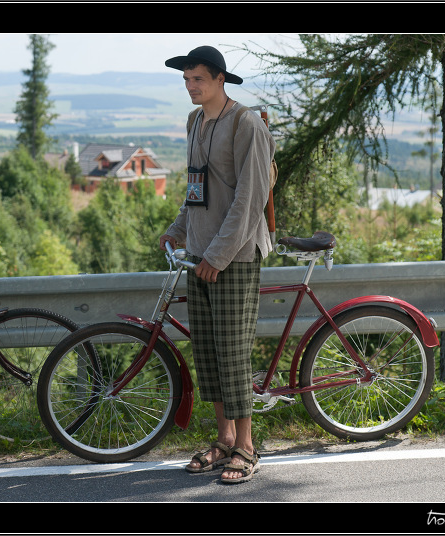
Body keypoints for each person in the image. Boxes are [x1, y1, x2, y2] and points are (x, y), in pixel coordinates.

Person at [158, 46, 275, 484]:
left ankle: (246, 447)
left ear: (220, 79)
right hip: (201, 256)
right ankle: (224, 439)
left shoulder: (246, 124)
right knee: (208, 355)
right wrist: (178, 229)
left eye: (198, 80)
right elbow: (196, 188)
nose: (190, 87)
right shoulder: (194, 121)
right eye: (186, 80)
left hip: (234, 257)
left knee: (232, 355)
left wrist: (218, 255)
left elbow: (250, 199)